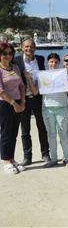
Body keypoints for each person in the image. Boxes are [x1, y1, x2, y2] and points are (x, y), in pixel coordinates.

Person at [13, 38, 50, 167]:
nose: (29, 49)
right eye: (26, 47)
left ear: (35, 47)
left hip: (38, 98)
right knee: (25, 129)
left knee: (42, 127)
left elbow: (44, 77)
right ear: (22, 48)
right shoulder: (17, 60)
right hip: (23, 99)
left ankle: (45, 154)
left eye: (31, 46)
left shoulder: (40, 59)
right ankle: (27, 157)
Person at [40, 53, 68, 168]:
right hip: (47, 108)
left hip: (62, 107)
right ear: (47, 63)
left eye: (55, 62)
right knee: (51, 134)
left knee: (63, 134)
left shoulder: (63, 74)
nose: (53, 64)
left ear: (59, 63)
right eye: (51, 62)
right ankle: (53, 159)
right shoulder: (42, 75)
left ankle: (67, 158)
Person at [0, 42, 26, 174]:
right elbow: (1, 91)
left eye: (10, 53)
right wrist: (14, 104)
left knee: (14, 133)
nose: (8, 56)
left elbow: (21, 85)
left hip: (17, 101)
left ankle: (12, 158)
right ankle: (5, 161)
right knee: (5, 133)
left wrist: (22, 101)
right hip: (5, 104)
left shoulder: (15, 67)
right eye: (5, 53)